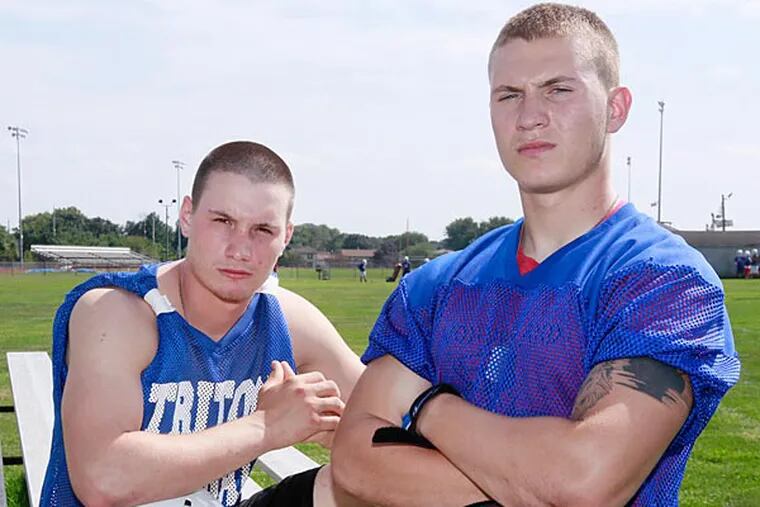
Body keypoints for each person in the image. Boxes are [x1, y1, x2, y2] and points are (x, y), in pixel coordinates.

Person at [331, 4, 740, 506]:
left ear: (616, 108)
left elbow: (583, 485)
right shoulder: (436, 285)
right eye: (509, 95)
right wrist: (530, 480)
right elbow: (353, 461)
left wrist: (427, 407)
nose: (529, 117)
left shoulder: (665, 283)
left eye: (558, 89)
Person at [41, 141, 364, 506]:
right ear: (187, 216)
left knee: (351, 488)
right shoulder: (118, 312)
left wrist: (341, 430)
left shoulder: (285, 318)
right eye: (223, 221)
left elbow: (387, 416)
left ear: (286, 236)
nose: (240, 250)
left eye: (262, 230)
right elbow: (103, 478)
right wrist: (268, 425)